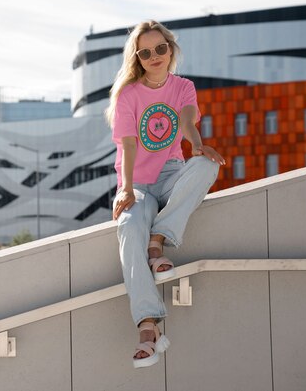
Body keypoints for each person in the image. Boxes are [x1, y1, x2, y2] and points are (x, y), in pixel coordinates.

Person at [106, 20, 226, 369]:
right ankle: (148, 325)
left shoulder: (183, 87)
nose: (155, 56)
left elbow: (187, 119)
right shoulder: (128, 95)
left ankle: (158, 239)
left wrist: (198, 145)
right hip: (138, 184)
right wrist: (126, 188)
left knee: (206, 167)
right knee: (128, 228)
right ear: (138, 59)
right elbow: (128, 144)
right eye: (146, 52)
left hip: (172, 174)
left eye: (161, 48)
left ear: (170, 49)